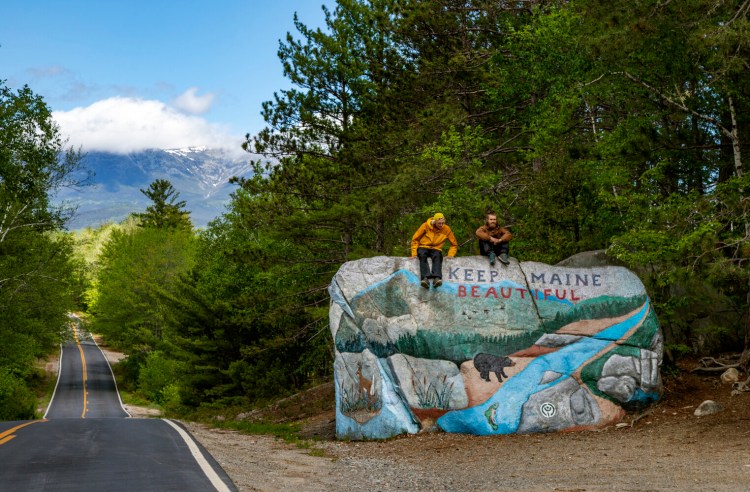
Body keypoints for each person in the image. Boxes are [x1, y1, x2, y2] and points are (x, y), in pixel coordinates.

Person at [411, 212, 458, 289]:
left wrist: (450, 255)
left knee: (438, 255)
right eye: (439, 223)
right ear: (434, 221)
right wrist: (414, 254)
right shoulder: (425, 226)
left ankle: (437, 278)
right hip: (424, 246)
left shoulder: (446, 229)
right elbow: (415, 239)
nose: (441, 225)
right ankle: (424, 279)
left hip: (436, 248)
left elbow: (454, 244)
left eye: (443, 223)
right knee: (422, 255)